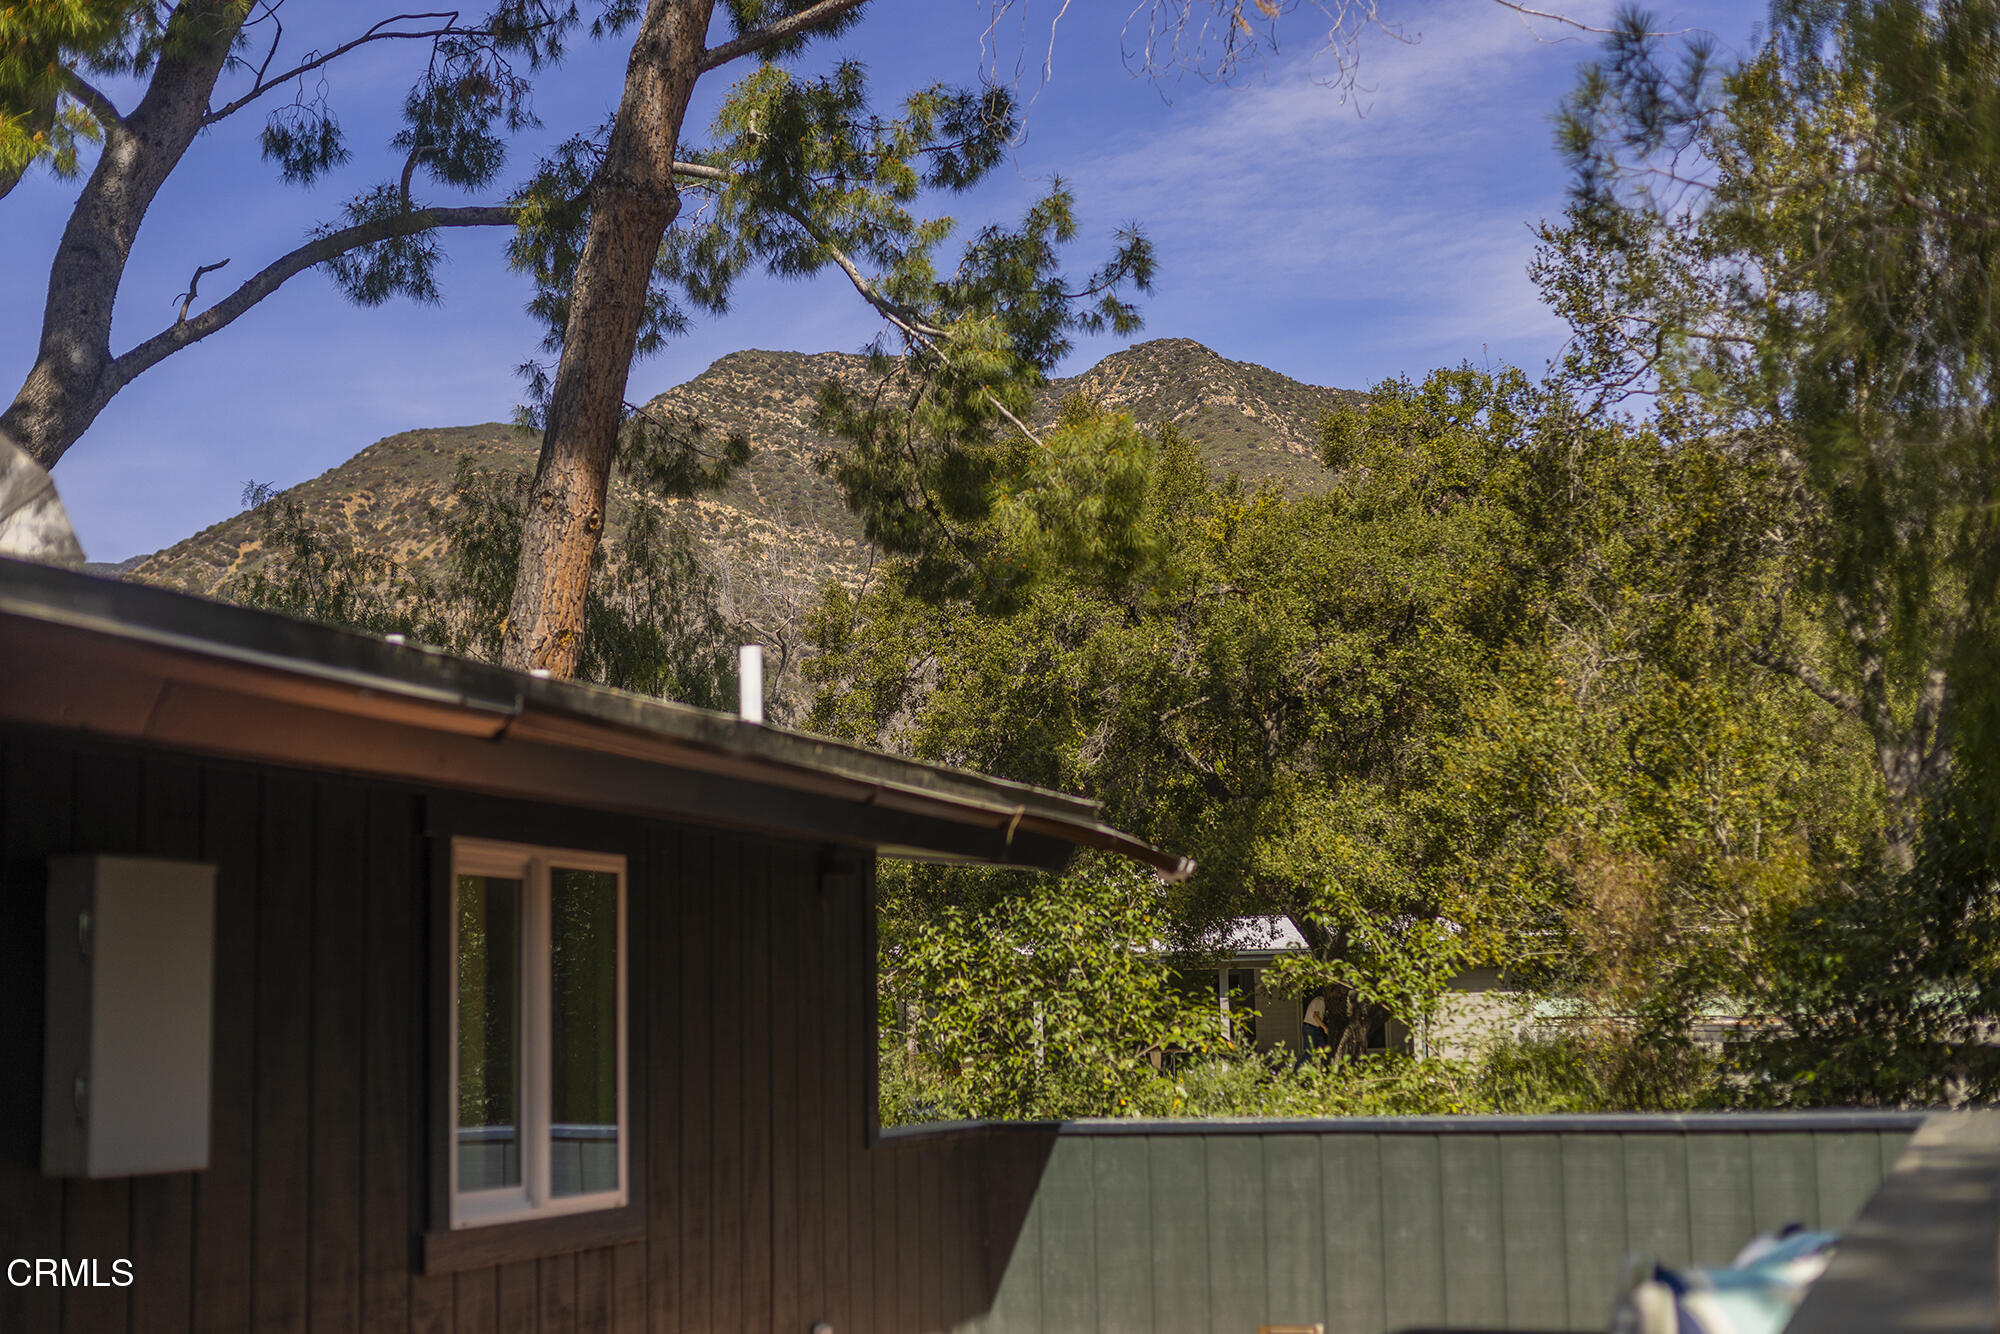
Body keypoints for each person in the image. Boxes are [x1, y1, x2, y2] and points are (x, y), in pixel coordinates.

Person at [1299, 994, 1334, 1067]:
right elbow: (1315, 1016)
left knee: (1323, 1050)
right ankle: (1296, 1072)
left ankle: (1322, 1072)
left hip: (1316, 1028)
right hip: (1310, 1028)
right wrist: (1325, 1028)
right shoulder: (1320, 1001)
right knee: (1310, 1053)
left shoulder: (1322, 1003)